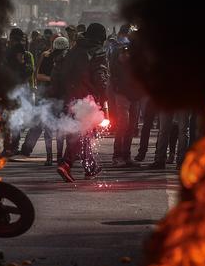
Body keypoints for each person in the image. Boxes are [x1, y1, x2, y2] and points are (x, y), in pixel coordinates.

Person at [56, 23, 109, 183]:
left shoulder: (73, 50)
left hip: (70, 97)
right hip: (87, 99)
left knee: (84, 133)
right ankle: (66, 163)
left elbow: (60, 74)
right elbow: (101, 76)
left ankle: (90, 167)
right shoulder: (98, 51)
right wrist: (105, 96)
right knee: (81, 134)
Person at [20, 36, 69, 165]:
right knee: (50, 127)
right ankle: (50, 156)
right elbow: (38, 75)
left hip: (59, 97)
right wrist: (53, 79)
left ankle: (57, 157)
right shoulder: (47, 57)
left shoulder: (66, 58)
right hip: (49, 97)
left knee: (58, 128)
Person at [3, 28, 35, 157]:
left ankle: (8, 147)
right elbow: (23, 66)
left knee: (9, 119)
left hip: (9, 86)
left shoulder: (7, 50)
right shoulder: (19, 48)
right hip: (17, 88)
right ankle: (12, 146)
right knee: (15, 119)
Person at [110, 44, 142, 167]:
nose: (126, 55)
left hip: (135, 96)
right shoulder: (117, 66)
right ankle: (117, 156)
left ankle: (126, 155)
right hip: (122, 94)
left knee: (131, 126)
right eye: (123, 54)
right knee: (123, 125)